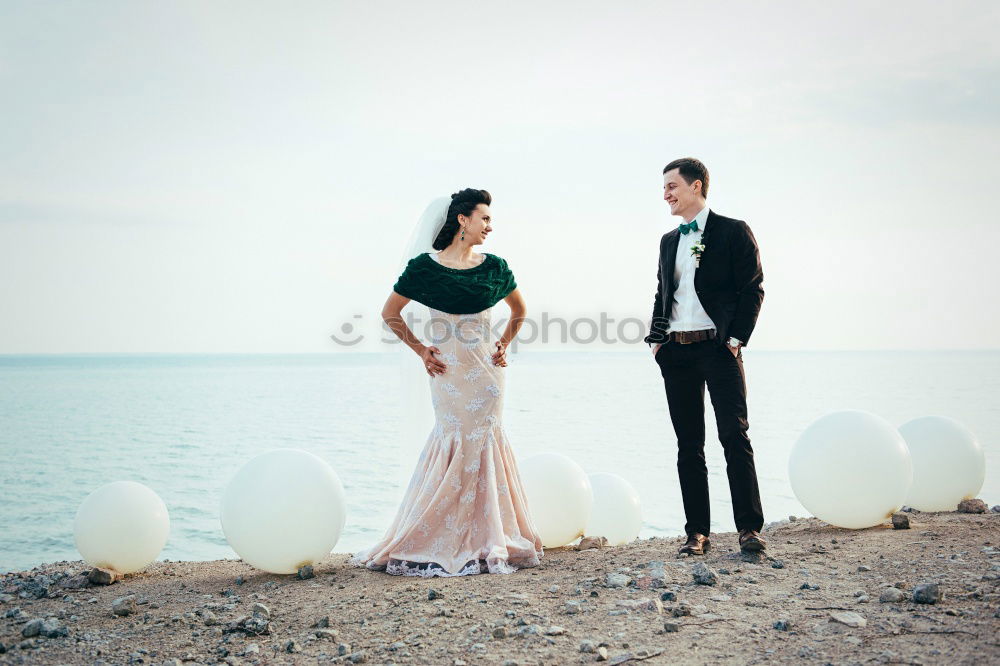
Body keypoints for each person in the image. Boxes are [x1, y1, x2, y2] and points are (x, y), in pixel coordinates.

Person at [347, 188, 544, 577]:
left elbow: (519, 310)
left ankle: (489, 536)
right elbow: (390, 313)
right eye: (484, 218)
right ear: (462, 220)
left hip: (487, 376)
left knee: (486, 442)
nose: (490, 226)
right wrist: (421, 350)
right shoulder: (425, 267)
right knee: (452, 439)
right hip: (448, 373)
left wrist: (503, 343)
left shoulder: (495, 266)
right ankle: (437, 535)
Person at [644, 158, 767, 556]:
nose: (665, 194)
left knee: (734, 435)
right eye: (664, 188)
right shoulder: (668, 240)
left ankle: (749, 529)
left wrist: (736, 339)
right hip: (676, 352)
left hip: (719, 349)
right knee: (688, 444)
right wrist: (656, 340)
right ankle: (696, 533)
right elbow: (663, 292)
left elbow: (753, 288)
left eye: (671, 186)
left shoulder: (733, 231)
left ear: (696, 186)